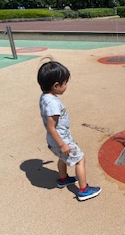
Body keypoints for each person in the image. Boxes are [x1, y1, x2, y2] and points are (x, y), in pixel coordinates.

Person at [37, 58, 101, 201]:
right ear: (55, 85)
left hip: (54, 139)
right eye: (64, 83)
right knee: (80, 160)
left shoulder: (45, 97)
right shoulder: (53, 103)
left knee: (62, 157)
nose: (66, 86)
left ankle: (63, 179)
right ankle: (84, 190)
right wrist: (62, 144)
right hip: (61, 140)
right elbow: (51, 126)